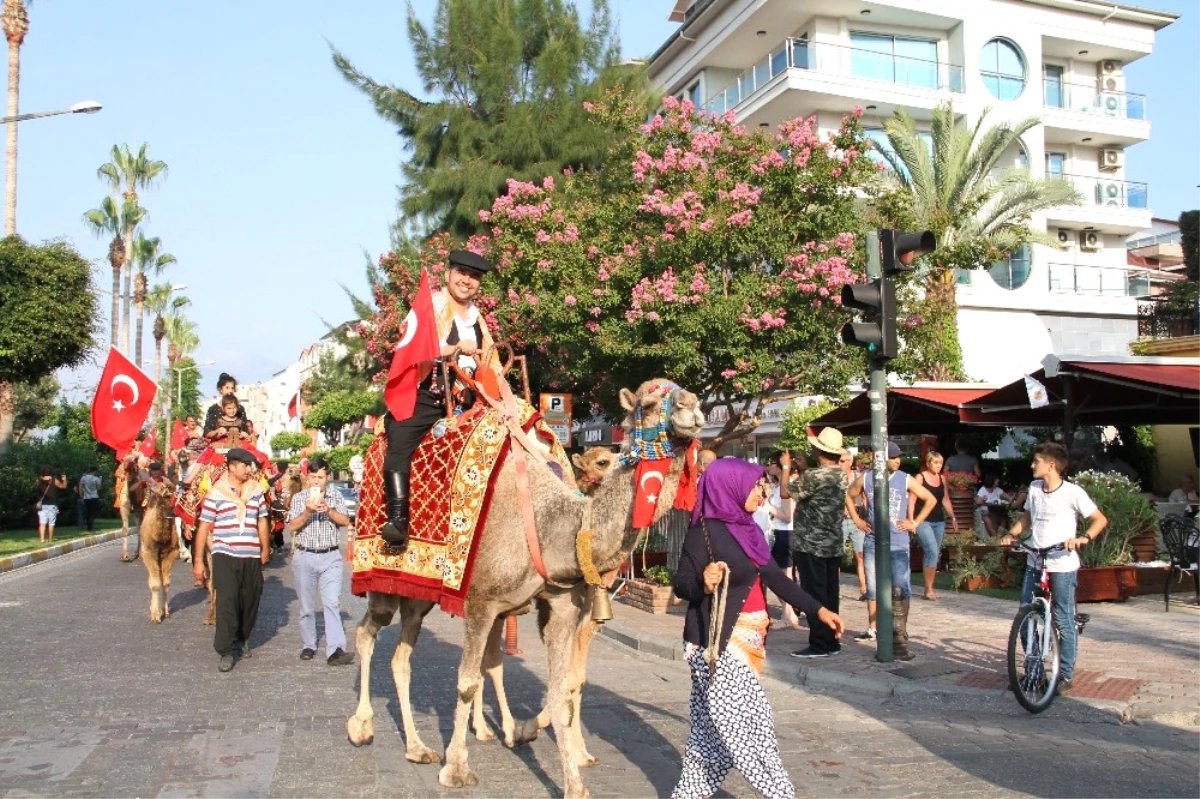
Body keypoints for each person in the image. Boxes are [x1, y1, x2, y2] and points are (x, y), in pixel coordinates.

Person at [671, 458, 843, 799]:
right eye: (756, 486)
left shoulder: (748, 529)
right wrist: (703, 584)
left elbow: (777, 579)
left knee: (709, 738)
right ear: (730, 487)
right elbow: (683, 584)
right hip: (715, 645)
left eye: (763, 486)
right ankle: (781, 793)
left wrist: (818, 609)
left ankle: (688, 794)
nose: (762, 493)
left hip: (749, 641)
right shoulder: (702, 533)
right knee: (749, 727)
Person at [381, 250, 502, 548]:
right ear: (448, 274)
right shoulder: (430, 306)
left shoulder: (479, 319)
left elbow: (492, 361)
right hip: (430, 394)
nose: (467, 280)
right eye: (462, 272)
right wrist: (454, 348)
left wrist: (499, 389)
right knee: (399, 438)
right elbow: (410, 347)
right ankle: (398, 521)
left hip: (471, 398)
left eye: (474, 277)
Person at [999, 442, 1107, 694]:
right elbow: (1027, 518)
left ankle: (1064, 675)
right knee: (1025, 617)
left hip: (1062, 564)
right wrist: (1011, 534)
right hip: (1035, 560)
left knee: (1062, 618)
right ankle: (1034, 672)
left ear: (1051, 465)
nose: (1031, 465)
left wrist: (1083, 538)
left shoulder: (1072, 492)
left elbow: (1099, 520)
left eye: (1036, 461)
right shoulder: (1035, 489)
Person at [845, 442, 936, 660]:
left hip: (898, 541)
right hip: (872, 541)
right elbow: (849, 495)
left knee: (900, 588)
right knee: (874, 588)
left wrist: (914, 522)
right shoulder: (866, 478)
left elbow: (930, 499)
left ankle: (899, 635)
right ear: (881, 458)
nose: (898, 460)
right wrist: (857, 519)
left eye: (899, 457)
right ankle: (875, 629)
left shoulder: (904, 478)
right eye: (893, 456)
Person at [193, 448, 271, 673]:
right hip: (225, 554)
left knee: (251, 599)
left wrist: (264, 548)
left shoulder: (256, 491)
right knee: (227, 601)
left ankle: (242, 637)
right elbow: (204, 527)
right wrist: (199, 560)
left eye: (250, 465)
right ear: (232, 467)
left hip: (251, 554)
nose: (249, 469)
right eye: (245, 465)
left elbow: (262, 520)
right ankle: (225, 650)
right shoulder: (216, 493)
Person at [286, 457, 356, 666]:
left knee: (332, 602)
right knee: (307, 606)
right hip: (305, 555)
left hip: (330, 556)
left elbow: (346, 521)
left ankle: (335, 649)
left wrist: (328, 511)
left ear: (327, 478)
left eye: (321, 477)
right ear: (308, 478)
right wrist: (308, 510)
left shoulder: (334, 496)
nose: (317, 481)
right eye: (313, 477)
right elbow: (292, 526)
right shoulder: (299, 498)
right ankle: (309, 644)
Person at [790, 428, 851, 658]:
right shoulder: (842, 475)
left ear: (819, 450)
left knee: (814, 595)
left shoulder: (813, 476)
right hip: (832, 543)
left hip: (811, 544)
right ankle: (832, 640)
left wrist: (788, 468)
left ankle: (819, 643)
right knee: (829, 593)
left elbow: (789, 493)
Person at [910, 451, 959, 601]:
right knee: (931, 550)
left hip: (938, 520)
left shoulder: (942, 478)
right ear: (929, 463)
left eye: (940, 463)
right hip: (923, 520)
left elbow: (945, 499)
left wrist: (953, 517)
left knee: (935, 553)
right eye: (936, 463)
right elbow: (912, 500)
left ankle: (929, 587)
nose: (939, 466)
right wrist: (912, 520)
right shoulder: (920, 477)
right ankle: (928, 589)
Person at [763, 450, 800, 629]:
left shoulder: (788, 485)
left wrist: (768, 506)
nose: (768, 466)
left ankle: (789, 615)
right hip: (777, 532)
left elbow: (788, 516)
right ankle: (790, 613)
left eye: (772, 463)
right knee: (778, 575)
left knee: (783, 576)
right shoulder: (778, 487)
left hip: (786, 533)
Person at [839, 450, 868, 600]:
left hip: (857, 520)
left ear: (850, 462)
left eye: (844, 461)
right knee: (837, 556)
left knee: (861, 555)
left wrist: (866, 514)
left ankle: (863, 589)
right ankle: (835, 589)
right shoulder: (835, 478)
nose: (841, 463)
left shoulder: (858, 477)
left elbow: (865, 497)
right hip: (840, 520)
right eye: (839, 461)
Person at [34, 467, 68, 544]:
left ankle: (42, 540)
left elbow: (35, 488)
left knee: (42, 523)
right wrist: (64, 479)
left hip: (41, 505)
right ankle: (50, 539)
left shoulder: (38, 480)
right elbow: (63, 486)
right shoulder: (54, 480)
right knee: (51, 523)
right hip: (52, 504)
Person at [78, 467, 102, 533]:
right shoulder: (96, 478)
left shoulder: (83, 478)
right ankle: (91, 526)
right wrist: (100, 481)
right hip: (94, 496)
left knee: (88, 512)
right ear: (94, 471)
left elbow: (80, 486)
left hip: (86, 497)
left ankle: (89, 526)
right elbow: (98, 488)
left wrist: (81, 496)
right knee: (93, 512)